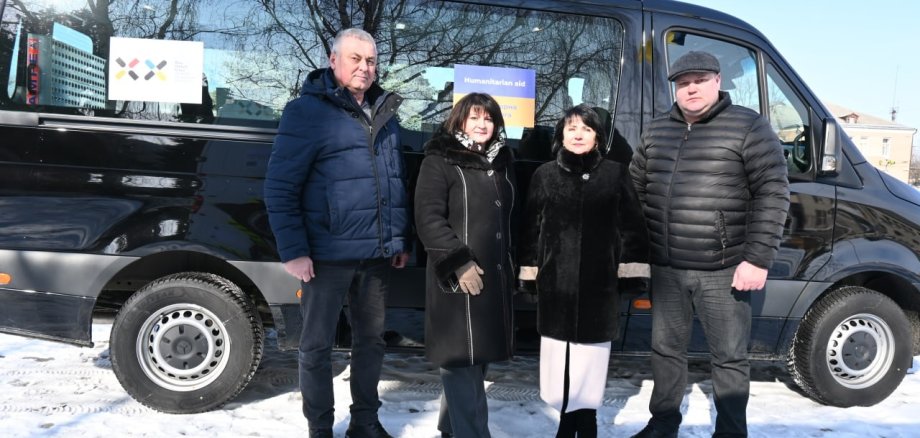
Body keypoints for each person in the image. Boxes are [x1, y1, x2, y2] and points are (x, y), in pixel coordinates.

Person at [629, 51, 790, 438]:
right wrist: (636, 252)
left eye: (699, 80)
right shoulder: (656, 130)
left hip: (724, 269)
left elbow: (773, 193)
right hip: (666, 267)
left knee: (729, 357)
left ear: (717, 81)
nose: (691, 89)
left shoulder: (749, 126)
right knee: (666, 352)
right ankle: (663, 424)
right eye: (683, 83)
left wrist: (757, 258)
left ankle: (731, 432)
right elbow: (636, 192)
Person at [264, 28, 409, 438]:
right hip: (325, 254)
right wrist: (294, 250)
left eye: (371, 60)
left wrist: (398, 238)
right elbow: (280, 186)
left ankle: (365, 422)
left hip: (376, 255)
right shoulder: (306, 112)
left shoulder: (385, 112)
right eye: (355, 59)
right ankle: (321, 428)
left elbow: (395, 180)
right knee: (316, 346)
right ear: (333, 61)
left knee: (371, 343)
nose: (365, 67)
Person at [518, 104, 650, 437]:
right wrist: (530, 275)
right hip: (556, 285)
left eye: (586, 129)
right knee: (558, 362)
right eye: (571, 128)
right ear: (561, 134)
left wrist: (632, 275)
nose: (578, 135)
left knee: (591, 361)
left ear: (598, 137)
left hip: (599, 285)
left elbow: (632, 228)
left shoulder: (615, 174)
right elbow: (531, 229)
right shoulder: (545, 175)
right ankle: (566, 420)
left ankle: (587, 420)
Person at [414, 92, 517, 438]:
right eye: (474, 117)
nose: (481, 124)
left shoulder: (500, 163)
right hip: (457, 278)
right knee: (460, 360)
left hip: (491, 279)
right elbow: (428, 218)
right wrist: (459, 263)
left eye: (488, 118)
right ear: (459, 121)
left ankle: (449, 429)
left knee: (474, 362)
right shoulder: (440, 160)